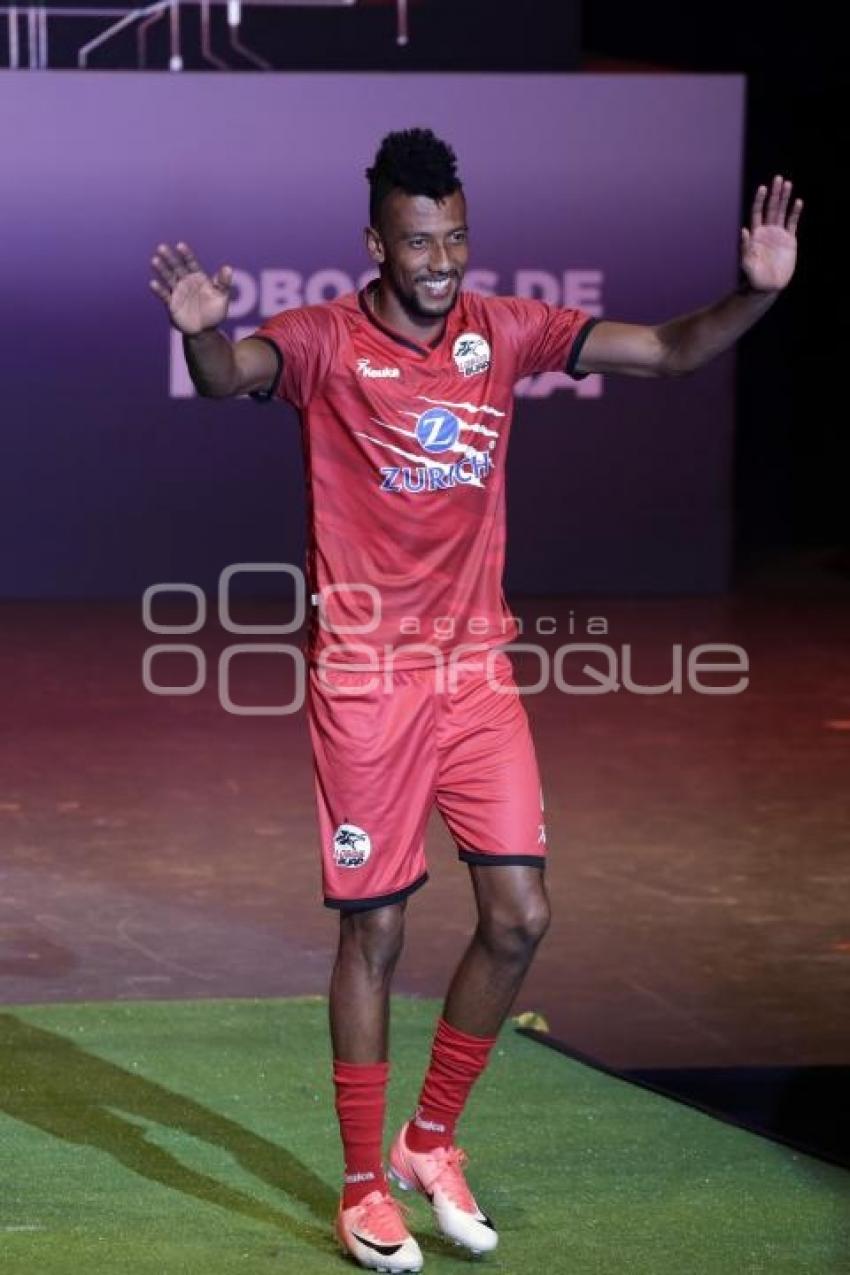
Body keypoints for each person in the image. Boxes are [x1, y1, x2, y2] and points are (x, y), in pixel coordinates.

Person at [150, 128, 802, 1272]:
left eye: (454, 237)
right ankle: (361, 1186)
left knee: (520, 917)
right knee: (379, 927)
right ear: (375, 244)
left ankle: (428, 1142)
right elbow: (229, 379)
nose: (440, 258)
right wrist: (203, 332)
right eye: (418, 241)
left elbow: (666, 350)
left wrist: (747, 297)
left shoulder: (503, 330)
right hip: (364, 680)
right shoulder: (321, 343)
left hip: (474, 676)